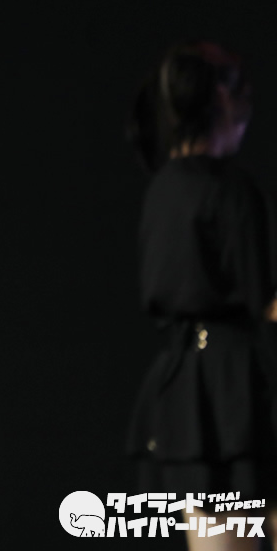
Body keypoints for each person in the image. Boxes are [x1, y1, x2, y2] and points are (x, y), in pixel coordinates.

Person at [127, 41, 277, 550]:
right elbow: (264, 300)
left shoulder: (161, 190)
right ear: (221, 99)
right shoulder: (231, 190)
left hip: (186, 396)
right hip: (242, 392)